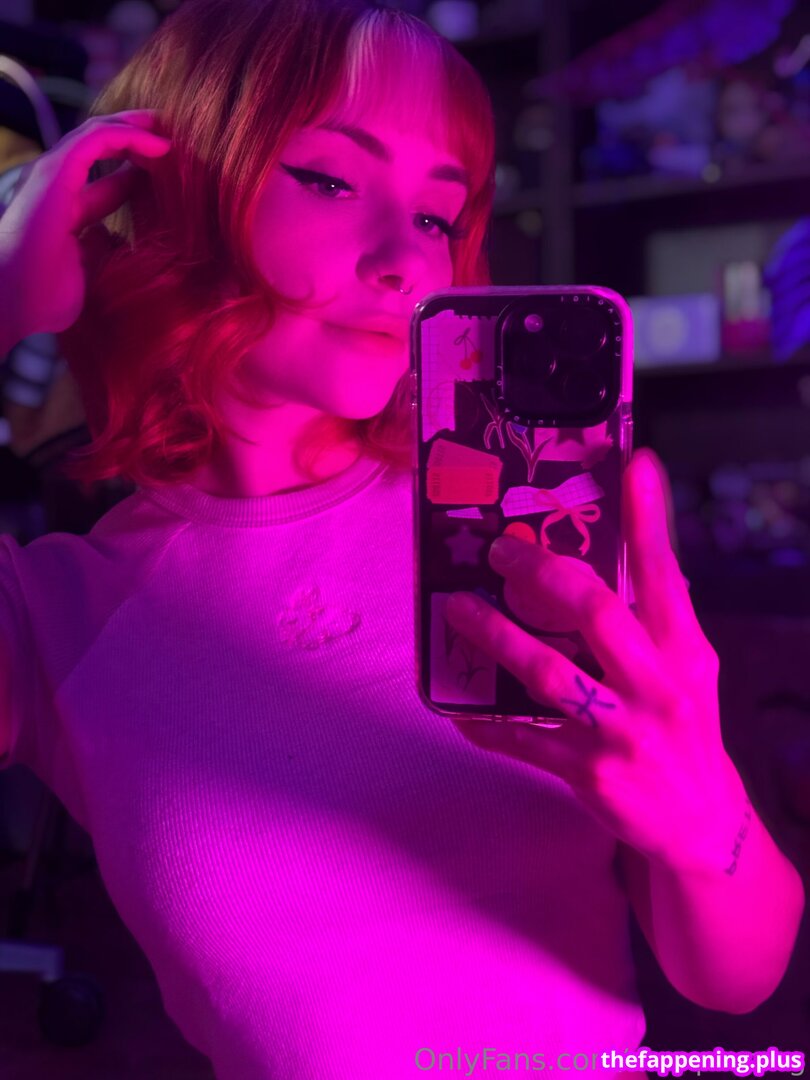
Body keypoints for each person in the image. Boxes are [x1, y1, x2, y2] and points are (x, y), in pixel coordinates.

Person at [0, 1, 804, 1076]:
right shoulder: (58, 613)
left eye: (437, 216)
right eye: (331, 181)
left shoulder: (529, 534)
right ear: (162, 192)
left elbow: (736, 979)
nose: (406, 263)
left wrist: (705, 822)